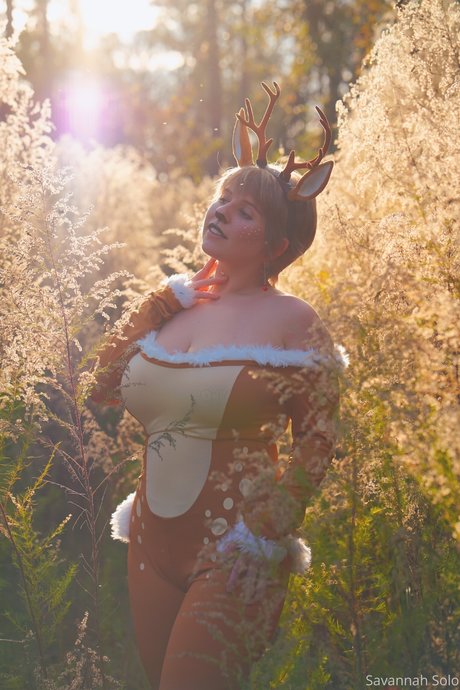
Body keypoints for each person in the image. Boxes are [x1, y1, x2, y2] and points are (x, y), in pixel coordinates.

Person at [91, 82, 345, 690]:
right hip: (149, 542)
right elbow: (100, 388)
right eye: (222, 199)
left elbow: (319, 437)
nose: (222, 211)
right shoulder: (175, 305)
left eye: (245, 211)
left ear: (276, 245)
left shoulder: (295, 320)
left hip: (235, 550)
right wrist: (155, 306)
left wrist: (267, 528)